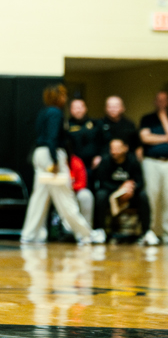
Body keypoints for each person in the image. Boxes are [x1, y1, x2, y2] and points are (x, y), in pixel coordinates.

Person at [20, 84, 105, 245]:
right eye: (64, 95)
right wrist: (54, 161)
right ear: (58, 97)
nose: (65, 98)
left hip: (39, 154)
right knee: (65, 196)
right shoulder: (56, 113)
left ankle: (29, 234)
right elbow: (52, 138)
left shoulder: (43, 113)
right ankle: (85, 233)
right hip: (51, 155)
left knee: (40, 197)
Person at [93, 137, 150, 239]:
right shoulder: (105, 161)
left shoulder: (133, 160)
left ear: (125, 148)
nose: (114, 151)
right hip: (111, 194)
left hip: (130, 195)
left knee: (143, 196)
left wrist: (131, 189)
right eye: (112, 148)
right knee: (100, 195)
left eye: (117, 148)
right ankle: (99, 230)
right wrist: (120, 189)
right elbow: (102, 183)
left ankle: (146, 232)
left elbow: (140, 182)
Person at [139, 91, 168, 245]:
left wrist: (163, 116)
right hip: (151, 162)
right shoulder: (147, 119)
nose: (161, 102)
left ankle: (166, 232)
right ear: (154, 101)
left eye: (164, 100)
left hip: (167, 162)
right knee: (152, 195)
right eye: (158, 100)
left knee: (167, 197)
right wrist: (165, 138)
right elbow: (145, 137)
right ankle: (153, 231)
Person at [93, 96, 140, 164]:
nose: (113, 109)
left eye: (116, 106)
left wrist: (138, 162)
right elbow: (95, 144)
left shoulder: (129, 124)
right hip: (105, 161)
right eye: (110, 106)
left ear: (122, 108)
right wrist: (96, 157)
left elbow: (137, 145)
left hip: (127, 162)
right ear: (106, 108)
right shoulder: (99, 124)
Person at [66, 97, 100, 183]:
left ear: (85, 108)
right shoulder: (66, 126)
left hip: (93, 164)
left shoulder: (95, 123)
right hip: (74, 165)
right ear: (70, 110)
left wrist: (100, 156)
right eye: (75, 108)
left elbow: (102, 141)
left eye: (80, 107)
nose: (78, 110)